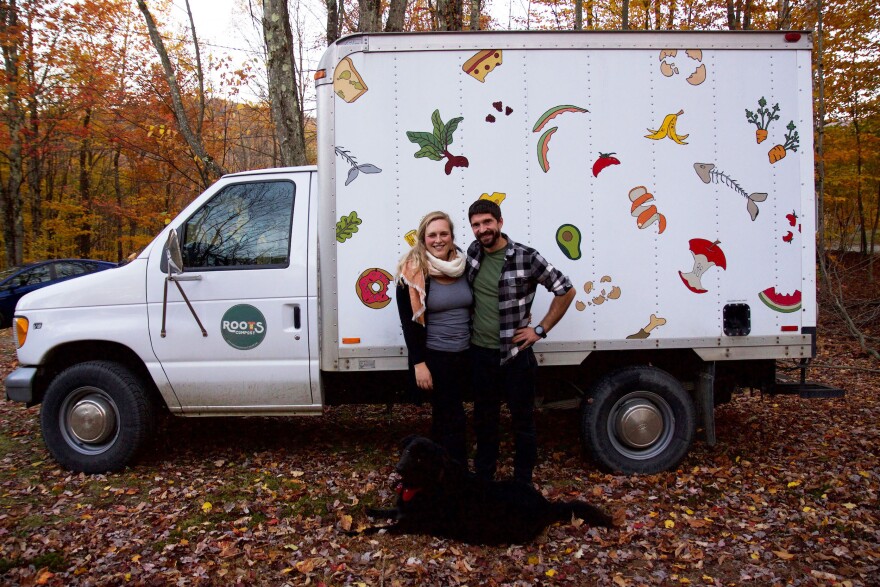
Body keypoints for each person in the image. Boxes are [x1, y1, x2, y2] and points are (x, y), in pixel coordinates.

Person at [466, 199, 575, 485]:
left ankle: (522, 482)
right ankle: (484, 479)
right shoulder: (473, 253)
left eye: (487, 222)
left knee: (522, 422)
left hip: (515, 355)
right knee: (484, 421)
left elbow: (566, 289)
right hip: (481, 354)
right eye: (476, 225)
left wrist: (540, 329)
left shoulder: (527, 257)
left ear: (500, 223)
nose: (482, 229)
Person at [396, 211, 472, 465]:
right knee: (455, 418)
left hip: (466, 354)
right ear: (423, 238)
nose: (438, 240)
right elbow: (409, 324)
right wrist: (419, 364)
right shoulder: (411, 273)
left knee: (444, 418)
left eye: (443, 234)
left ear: (451, 236)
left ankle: (436, 474)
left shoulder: (466, 266)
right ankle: (458, 474)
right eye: (432, 235)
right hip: (436, 357)